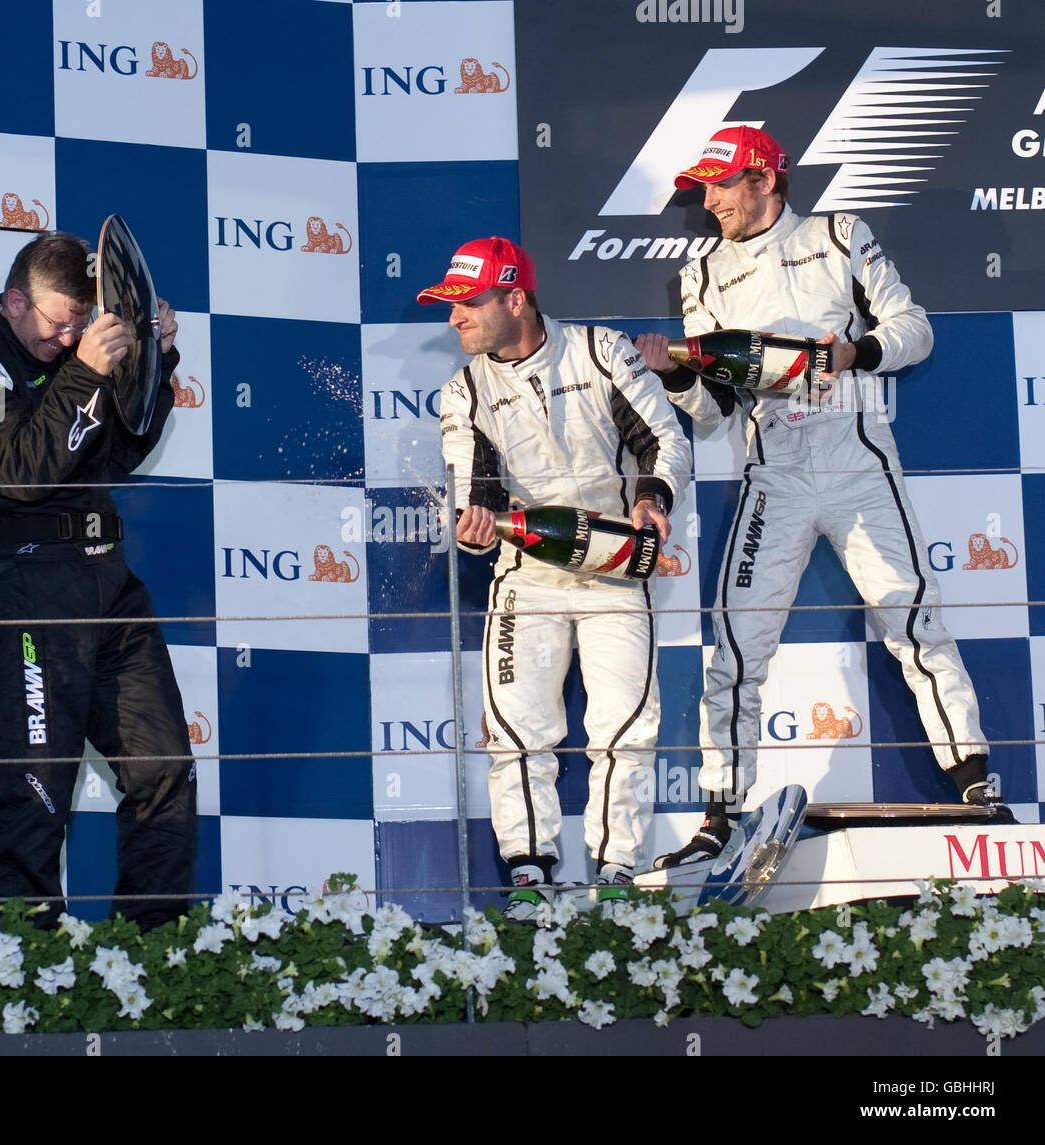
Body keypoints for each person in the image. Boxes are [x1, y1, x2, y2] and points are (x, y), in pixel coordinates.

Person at [634, 126, 1012, 869]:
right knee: (737, 642)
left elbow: (915, 329)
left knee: (911, 615)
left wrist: (855, 350)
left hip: (855, 458)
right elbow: (712, 411)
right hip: (773, 468)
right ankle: (720, 811)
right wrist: (674, 375)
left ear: (764, 180)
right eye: (702, 189)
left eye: (720, 185)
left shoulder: (840, 235)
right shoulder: (700, 277)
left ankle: (974, 782)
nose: (709, 202)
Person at [0, 230, 198, 931]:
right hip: (23, 590)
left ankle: (151, 958)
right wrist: (87, 373)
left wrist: (153, 365)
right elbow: (22, 474)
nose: (70, 333)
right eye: (57, 319)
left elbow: (121, 452)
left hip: (108, 581)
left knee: (163, 771)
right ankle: (24, 977)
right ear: (15, 302)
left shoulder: (75, 363)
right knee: (38, 792)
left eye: (80, 320)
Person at [424, 236, 692, 922]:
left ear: (515, 298)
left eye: (468, 303)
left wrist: (652, 498)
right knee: (519, 728)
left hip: (611, 561)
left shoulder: (602, 351)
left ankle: (615, 872)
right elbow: (474, 481)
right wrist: (476, 517)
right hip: (530, 571)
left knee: (624, 724)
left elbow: (662, 435)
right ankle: (528, 873)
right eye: (449, 305)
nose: (454, 318)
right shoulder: (464, 391)